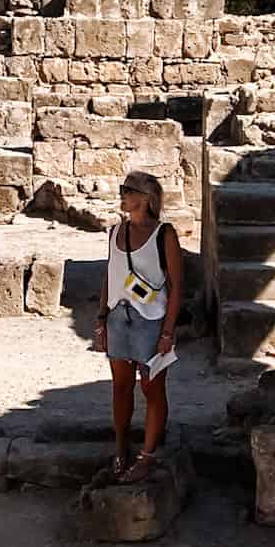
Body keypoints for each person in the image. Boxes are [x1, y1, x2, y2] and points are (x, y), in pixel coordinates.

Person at [93, 170, 183, 482]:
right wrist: (101, 318)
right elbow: (110, 274)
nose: (122, 195)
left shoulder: (164, 235)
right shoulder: (115, 232)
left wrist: (168, 332)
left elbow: (175, 286)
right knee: (120, 387)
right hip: (119, 318)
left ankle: (148, 455)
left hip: (152, 321)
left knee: (152, 388)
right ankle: (121, 447)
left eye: (127, 190)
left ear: (144, 198)